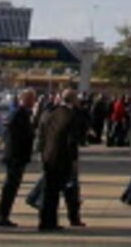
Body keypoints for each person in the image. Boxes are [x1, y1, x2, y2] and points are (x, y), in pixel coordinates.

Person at [35, 93, 86, 234]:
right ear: (73, 100)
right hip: (62, 157)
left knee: (48, 190)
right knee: (57, 191)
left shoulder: (50, 113)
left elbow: (42, 134)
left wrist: (41, 152)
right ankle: (51, 221)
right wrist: (74, 160)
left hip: (48, 155)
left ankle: (45, 220)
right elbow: (72, 141)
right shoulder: (70, 116)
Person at [0, 88, 40, 228]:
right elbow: (13, 135)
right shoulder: (18, 113)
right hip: (15, 156)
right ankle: (2, 216)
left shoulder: (24, 114)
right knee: (9, 187)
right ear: (24, 99)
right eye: (31, 99)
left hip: (19, 156)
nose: (34, 102)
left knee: (12, 187)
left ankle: (4, 215)